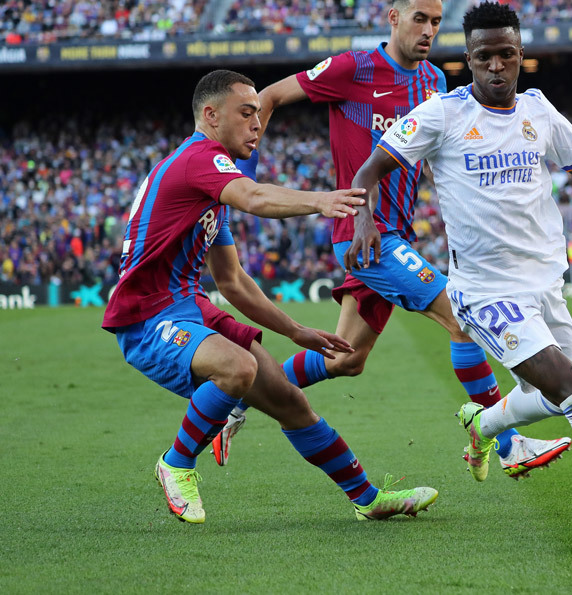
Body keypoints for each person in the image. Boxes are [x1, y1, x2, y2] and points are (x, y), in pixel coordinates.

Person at [345, 2, 572, 535]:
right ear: (467, 60)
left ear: (521, 56)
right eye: (482, 57)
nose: (495, 67)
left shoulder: (539, 112)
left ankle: (485, 425)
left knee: (558, 390)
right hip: (484, 292)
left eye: (505, 55)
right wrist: (365, 221)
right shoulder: (441, 114)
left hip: (545, 283)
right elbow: (369, 168)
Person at [218, 0, 570, 478]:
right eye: (419, 18)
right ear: (394, 18)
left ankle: (243, 392)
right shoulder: (351, 68)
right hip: (364, 236)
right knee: (464, 317)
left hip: (396, 236)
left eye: (436, 22)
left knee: (345, 359)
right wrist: (240, 176)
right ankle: (507, 441)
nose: (428, 30)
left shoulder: (433, 83)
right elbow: (269, 95)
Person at [102, 70, 438, 524]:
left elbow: (232, 281)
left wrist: (297, 331)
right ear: (210, 115)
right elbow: (256, 197)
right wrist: (322, 201)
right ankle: (175, 463)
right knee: (237, 369)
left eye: (260, 114)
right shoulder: (201, 159)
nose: (257, 124)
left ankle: (368, 499)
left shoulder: (209, 188)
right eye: (246, 114)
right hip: (147, 314)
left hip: (188, 305)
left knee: (289, 400)